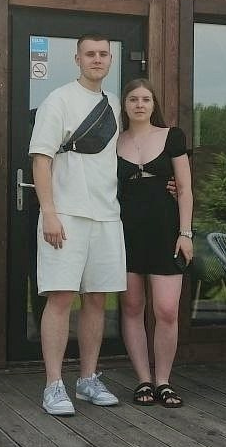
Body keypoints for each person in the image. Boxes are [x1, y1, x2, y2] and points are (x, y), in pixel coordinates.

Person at [28, 35, 125, 416]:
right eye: (90, 54)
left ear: (110, 59)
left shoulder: (113, 104)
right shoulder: (59, 100)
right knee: (61, 297)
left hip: (106, 215)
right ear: (77, 59)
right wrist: (49, 211)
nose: (97, 59)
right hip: (66, 214)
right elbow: (41, 159)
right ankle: (53, 385)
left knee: (97, 299)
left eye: (103, 54)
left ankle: (87, 379)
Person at [116, 79, 193, 408]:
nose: (139, 104)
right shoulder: (114, 141)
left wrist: (185, 233)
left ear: (153, 104)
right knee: (132, 308)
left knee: (166, 310)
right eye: (133, 99)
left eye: (146, 99)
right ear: (125, 105)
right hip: (125, 233)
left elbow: (185, 189)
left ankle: (163, 381)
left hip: (165, 232)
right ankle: (143, 380)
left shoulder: (172, 136)